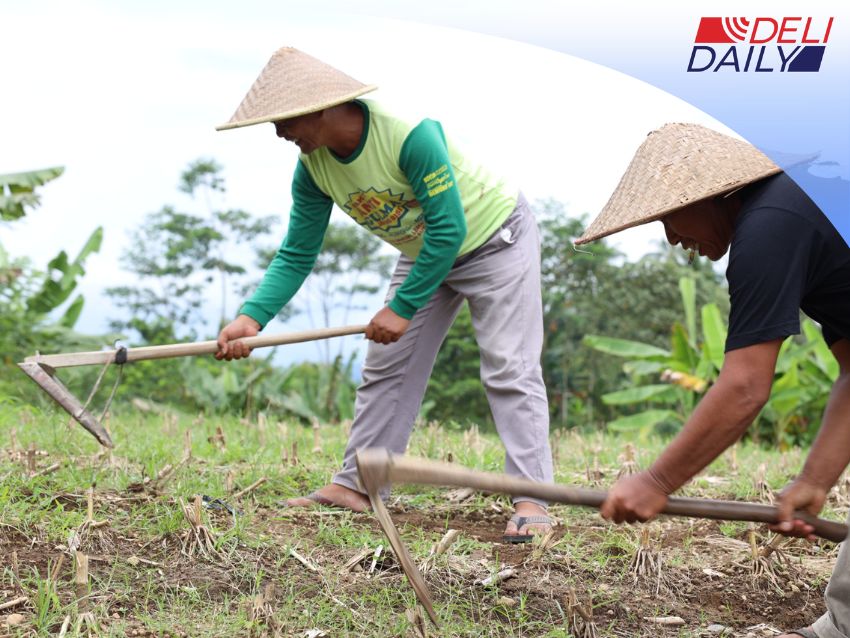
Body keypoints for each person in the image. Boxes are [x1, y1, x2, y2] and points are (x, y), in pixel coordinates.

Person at [213, 47, 554, 542]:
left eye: (285, 120)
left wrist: (402, 306)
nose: (280, 133)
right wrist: (252, 317)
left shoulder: (411, 136)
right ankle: (358, 486)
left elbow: (449, 226)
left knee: (509, 367)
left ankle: (533, 500)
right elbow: (297, 251)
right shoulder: (313, 168)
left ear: (326, 107)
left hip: (494, 238)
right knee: (386, 366)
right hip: (427, 252)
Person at [574, 122, 850, 638]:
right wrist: (815, 480)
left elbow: (746, 386)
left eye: (670, 217)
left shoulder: (770, 227)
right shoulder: (801, 209)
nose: (673, 238)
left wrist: (656, 481)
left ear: (717, 194)